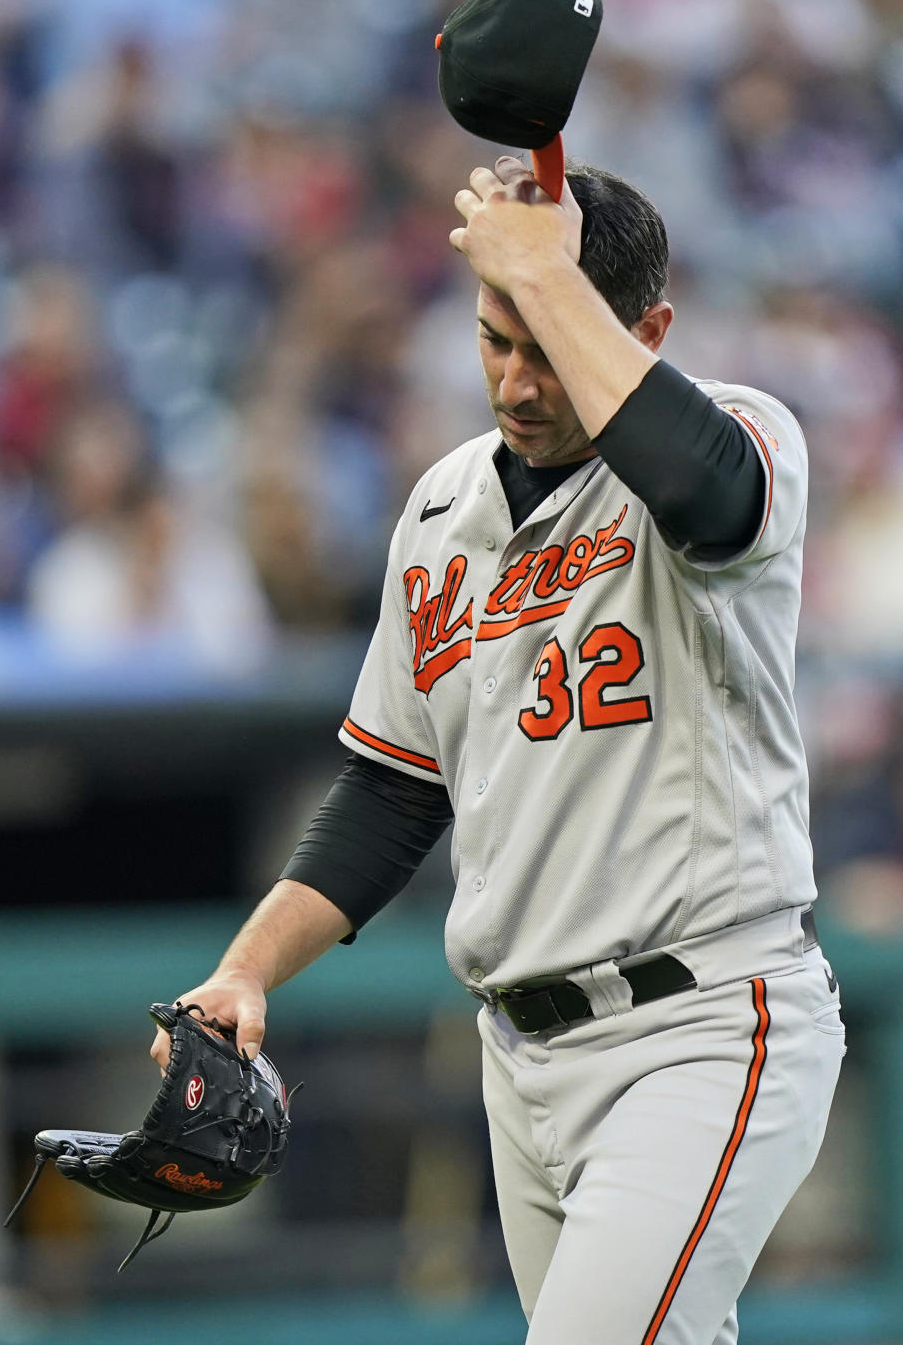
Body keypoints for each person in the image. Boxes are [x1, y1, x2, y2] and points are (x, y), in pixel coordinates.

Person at [153, 155, 845, 1344]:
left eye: (546, 343)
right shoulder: (440, 508)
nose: (518, 382)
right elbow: (392, 787)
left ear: (647, 328)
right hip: (518, 1057)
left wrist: (549, 274)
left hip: (702, 1022)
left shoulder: (736, 431)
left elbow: (712, 493)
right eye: (494, 341)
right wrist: (249, 969)